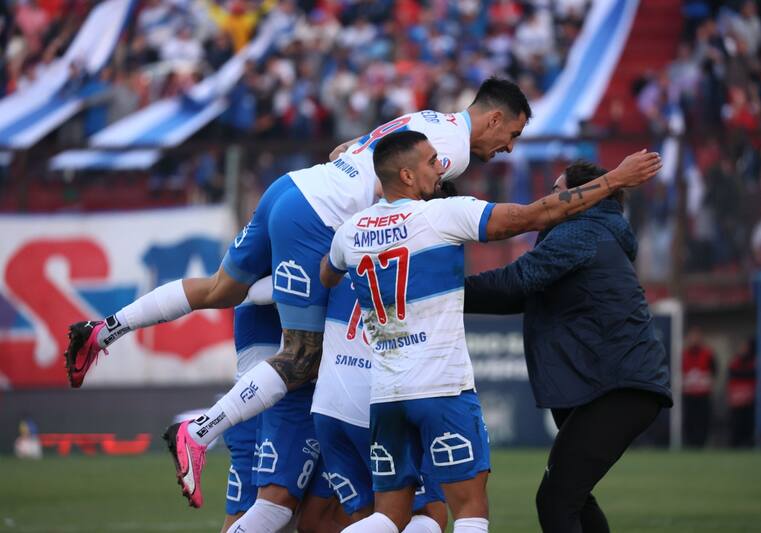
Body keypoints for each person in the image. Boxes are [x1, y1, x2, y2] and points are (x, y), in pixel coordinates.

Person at [64, 77, 535, 507]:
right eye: (511, 135)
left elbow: (344, 149)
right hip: (315, 220)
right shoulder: (452, 150)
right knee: (302, 356)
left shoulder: (428, 119)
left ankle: (102, 330)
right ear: (494, 118)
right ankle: (199, 432)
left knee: (221, 288)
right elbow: (397, 208)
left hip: (292, 188)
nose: (509, 148)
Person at [320, 132, 662, 533]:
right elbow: (528, 217)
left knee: (389, 517)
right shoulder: (445, 213)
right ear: (408, 175)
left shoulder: (351, 230)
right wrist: (616, 178)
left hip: (386, 394)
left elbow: (328, 274)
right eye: (432, 161)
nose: (442, 167)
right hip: (441, 388)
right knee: (471, 511)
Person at [463, 160, 673, 533]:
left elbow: (515, 281)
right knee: (573, 498)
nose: (550, 199)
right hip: (615, 383)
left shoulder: (581, 231)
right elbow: (522, 292)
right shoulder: (598, 232)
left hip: (617, 386)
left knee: (555, 502)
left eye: (558, 190)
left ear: (583, 197)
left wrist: (442, 290)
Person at [312, 277, 448, 533]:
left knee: (364, 515)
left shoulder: (338, 262)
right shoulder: (406, 271)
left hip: (326, 406)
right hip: (373, 404)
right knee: (429, 511)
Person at [206, 281, 335, 531]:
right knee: (267, 511)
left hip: (301, 401)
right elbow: (249, 291)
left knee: (312, 520)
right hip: (268, 407)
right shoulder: (256, 276)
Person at [682, 326, 716, 448]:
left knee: (703, 419)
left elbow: (714, 372)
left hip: (703, 394)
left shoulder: (708, 353)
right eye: (692, 337)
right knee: (689, 419)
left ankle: (701, 443)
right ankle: (690, 443)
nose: (694, 339)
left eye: (697, 336)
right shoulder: (683, 354)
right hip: (689, 394)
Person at [727, 338, 756, 448]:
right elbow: (733, 373)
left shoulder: (753, 362)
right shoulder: (735, 362)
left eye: (745, 347)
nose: (743, 349)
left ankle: (748, 444)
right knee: (736, 423)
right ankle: (735, 444)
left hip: (749, 398)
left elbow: (752, 374)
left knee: (748, 423)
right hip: (737, 399)